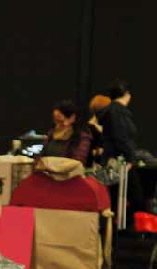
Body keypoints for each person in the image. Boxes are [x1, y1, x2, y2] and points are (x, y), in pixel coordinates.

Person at [99, 79, 143, 211]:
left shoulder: (107, 112)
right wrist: (130, 159)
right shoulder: (119, 112)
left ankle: (115, 229)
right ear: (126, 94)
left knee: (114, 199)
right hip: (121, 163)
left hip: (111, 161)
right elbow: (121, 137)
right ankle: (126, 230)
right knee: (135, 199)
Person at [41, 100, 92, 165]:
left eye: (60, 121)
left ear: (72, 118)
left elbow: (78, 161)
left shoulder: (82, 137)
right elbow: (42, 156)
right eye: (55, 120)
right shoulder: (51, 133)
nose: (57, 125)